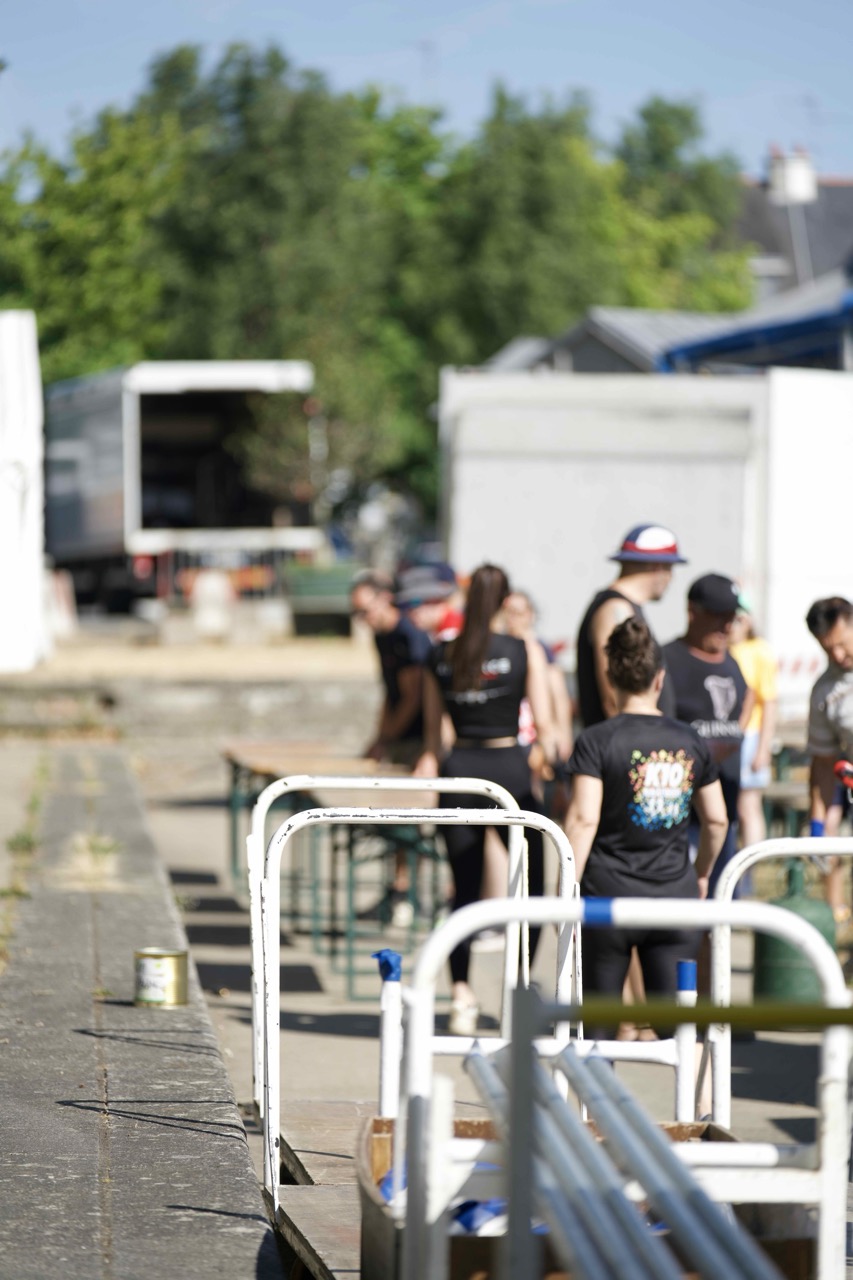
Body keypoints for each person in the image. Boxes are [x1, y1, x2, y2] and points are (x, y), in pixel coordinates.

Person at [564, 617, 727, 1039]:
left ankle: (596, 1086)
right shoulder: (690, 740)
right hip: (674, 895)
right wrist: (702, 873)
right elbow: (717, 819)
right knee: (682, 1031)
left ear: (610, 678)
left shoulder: (596, 740)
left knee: (598, 1031)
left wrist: (564, 889)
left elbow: (583, 820)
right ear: (660, 678)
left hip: (607, 896)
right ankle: (703, 1086)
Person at [414, 563, 553, 1035]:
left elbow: (434, 738)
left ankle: (461, 995)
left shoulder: (440, 654)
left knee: (464, 889)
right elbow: (544, 726)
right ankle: (519, 989)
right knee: (532, 887)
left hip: (461, 772)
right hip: (510, 769)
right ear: (505, 601)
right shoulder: (521, 649)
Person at [350, 570, 432, 924]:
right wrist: (379, 737)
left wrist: (386, 737)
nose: (362, 619)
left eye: (364, 610)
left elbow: (414, 697)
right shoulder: (382, 636)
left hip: (419, 739)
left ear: (384, 599)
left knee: (411, 822)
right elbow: (391, 693)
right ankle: (399, 892)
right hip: (400, 738)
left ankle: (409, 896)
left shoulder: (408, 635)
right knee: (396, 820)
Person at [662, 573, 750, 897]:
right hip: (679, 817)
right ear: (692, 612)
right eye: (718, 616)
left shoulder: (731, 662)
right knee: (684, 903)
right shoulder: (667, 660)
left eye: (732, 617)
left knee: (720, 903)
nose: (727, 626)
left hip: (724, 808)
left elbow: (747, 698)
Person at [575, 523, 687, 729]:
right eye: (670, 569)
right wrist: (639, 741)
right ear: (657, 566)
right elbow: (614, 697)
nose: (671, 578)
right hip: (627, 744)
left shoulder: (622, 608)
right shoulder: (616, 610)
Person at [804, 597, 853, 926]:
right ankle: (837, 922)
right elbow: (823, 762)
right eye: (827, 648)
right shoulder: (825, 691)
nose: (836, 655)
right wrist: (817, 825)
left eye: (842, 644)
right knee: (832, 841)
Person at [730, 596, 778, 850]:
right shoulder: (724, 649)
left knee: (748, 806)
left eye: (739, 619)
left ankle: (750, 863)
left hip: (750, 736)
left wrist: (763, 748)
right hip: (728, 736)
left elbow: (769, 702)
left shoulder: (760, 651)